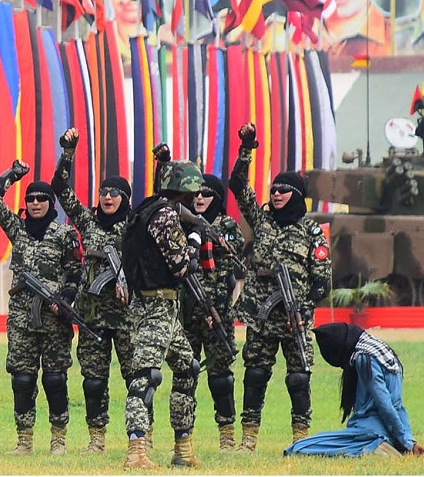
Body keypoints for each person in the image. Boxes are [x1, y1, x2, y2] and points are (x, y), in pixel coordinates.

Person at [227, 122, 332, 452]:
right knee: (255, 375)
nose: (275, 194)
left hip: (295, 318)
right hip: (261, 315)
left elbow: (322, 279)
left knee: (299, 377)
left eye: (282, 190)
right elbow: (237, 185)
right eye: (273, 189)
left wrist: (306, 306)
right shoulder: (262, 220)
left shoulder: (310, 230)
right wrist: (246, 148)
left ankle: (301, 438)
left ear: (297, 195)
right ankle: (248, 439)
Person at [0, 160, 82, 456]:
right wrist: (13, 175)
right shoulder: (18, 228)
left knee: (54, 379)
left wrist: (64, 298)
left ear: (51, 203)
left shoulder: (64, 234)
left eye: (41, 199)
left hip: (53, 318)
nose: (36, 203)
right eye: (31, 199)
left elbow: (76, 269)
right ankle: (24, 441)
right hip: (21, 318)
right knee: (22, 379)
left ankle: (58, 439)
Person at [50, 128, 134, 454]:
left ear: (125, 199)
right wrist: (68, 152)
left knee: (137, 379)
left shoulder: (136, 225)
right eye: (104, 192)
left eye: (115, 193)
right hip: (93, 315)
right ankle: (96, 440)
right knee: (94, 381)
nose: (108, 197)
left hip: (127, 315)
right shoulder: (88, 222)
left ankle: (139, 438)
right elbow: (60, 187)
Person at [120, 158, 204, 469]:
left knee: (187, 367)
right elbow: (181, 265)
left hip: (161, 306)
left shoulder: (146, 209)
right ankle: (136, 451)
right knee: (145, 376)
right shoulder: (166, 216)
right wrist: (193, 242)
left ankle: (182, 448)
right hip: (155, 306)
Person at [284, 323, 424, 457]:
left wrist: (407, 442)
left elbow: (385, 404)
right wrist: (408, 440)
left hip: (370, 432)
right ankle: (388, 445)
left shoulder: (365, 359)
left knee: (299, 447)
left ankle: (377, 446)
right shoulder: (379, 350)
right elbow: (398, 406)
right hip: (385, 430)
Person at [178, 171, 244, 451]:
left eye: (206, 194)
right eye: (196, 194)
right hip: (187, 311)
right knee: (184, 375)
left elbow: (234, 254)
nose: (200, 198)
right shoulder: (179, 224)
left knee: (221, 377)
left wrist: (203, 231)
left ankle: (227, 435)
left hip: (217, 312)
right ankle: (183, 438)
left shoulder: (226, 225)